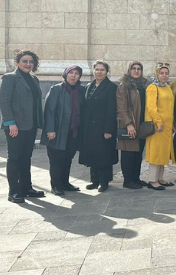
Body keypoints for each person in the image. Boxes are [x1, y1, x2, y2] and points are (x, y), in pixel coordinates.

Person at [1, 50, 45, 203]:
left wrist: (38, 123)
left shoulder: (34, 79)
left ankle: (26, 188)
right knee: (14, 158)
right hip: (15, 126)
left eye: (31, 61)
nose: (28, 64)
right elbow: (4, 102)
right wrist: (10, 123)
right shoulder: (9, 78)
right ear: (17, 62)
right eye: (25, 61)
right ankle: (14, 192)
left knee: (26, 157)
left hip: (30, 125)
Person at [42, 65, 84, 196]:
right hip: (57, 131)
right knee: (56, 159)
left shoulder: (80, 90)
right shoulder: (56, 89)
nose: (73, 75)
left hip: (73, 132)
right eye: (71, 73)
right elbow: (49, 111)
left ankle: (65, 183)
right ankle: (56, 185)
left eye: (76, 73)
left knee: (67, 158)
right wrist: (50, 130)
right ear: (65, 74)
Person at [79, 61, 118, 193]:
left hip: (103, 128)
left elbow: (112, 110)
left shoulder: (111, 87)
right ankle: (94, 181)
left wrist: (108, 130)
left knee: (104, 155)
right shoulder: (89, 86)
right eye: (97, 69)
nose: (99, 72)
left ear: (107, 72)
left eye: (102, 70)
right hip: (89, 127)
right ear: (93, 70)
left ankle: (104, 181)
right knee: (93, 154)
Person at [117, 61, 148, 190]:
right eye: (134, 69)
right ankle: (128, 180)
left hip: (141, 125)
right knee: (128, 154)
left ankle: (136, 178)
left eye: (139, 69)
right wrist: (128, 124)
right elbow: (121, 108)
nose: (136, 71)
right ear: (129, 71)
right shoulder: (124, 86)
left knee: (138, 153)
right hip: (130, 125)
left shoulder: (143, 85)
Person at [144, 63, 176, 190]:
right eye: (161, 73)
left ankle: (160, 178)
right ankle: (152, 180)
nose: (164, 75)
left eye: (166, 73)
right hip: (158, 127)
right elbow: (151, 108)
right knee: (156, 153)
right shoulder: (152, 88)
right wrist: (159, 122)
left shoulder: (167, 87)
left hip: (167, 127)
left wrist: (172, 124)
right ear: (157, 74)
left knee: (163, 152)